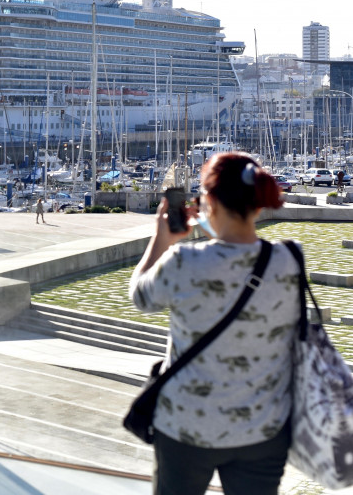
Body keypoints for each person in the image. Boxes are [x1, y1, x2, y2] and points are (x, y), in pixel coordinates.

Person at [128, 152, 298, 495]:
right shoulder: (289, 260)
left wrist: (163, 238)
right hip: (263, 429)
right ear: (258, 203)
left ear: (211, 201)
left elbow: (140, 296)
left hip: (187, 427)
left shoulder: (184, 261)